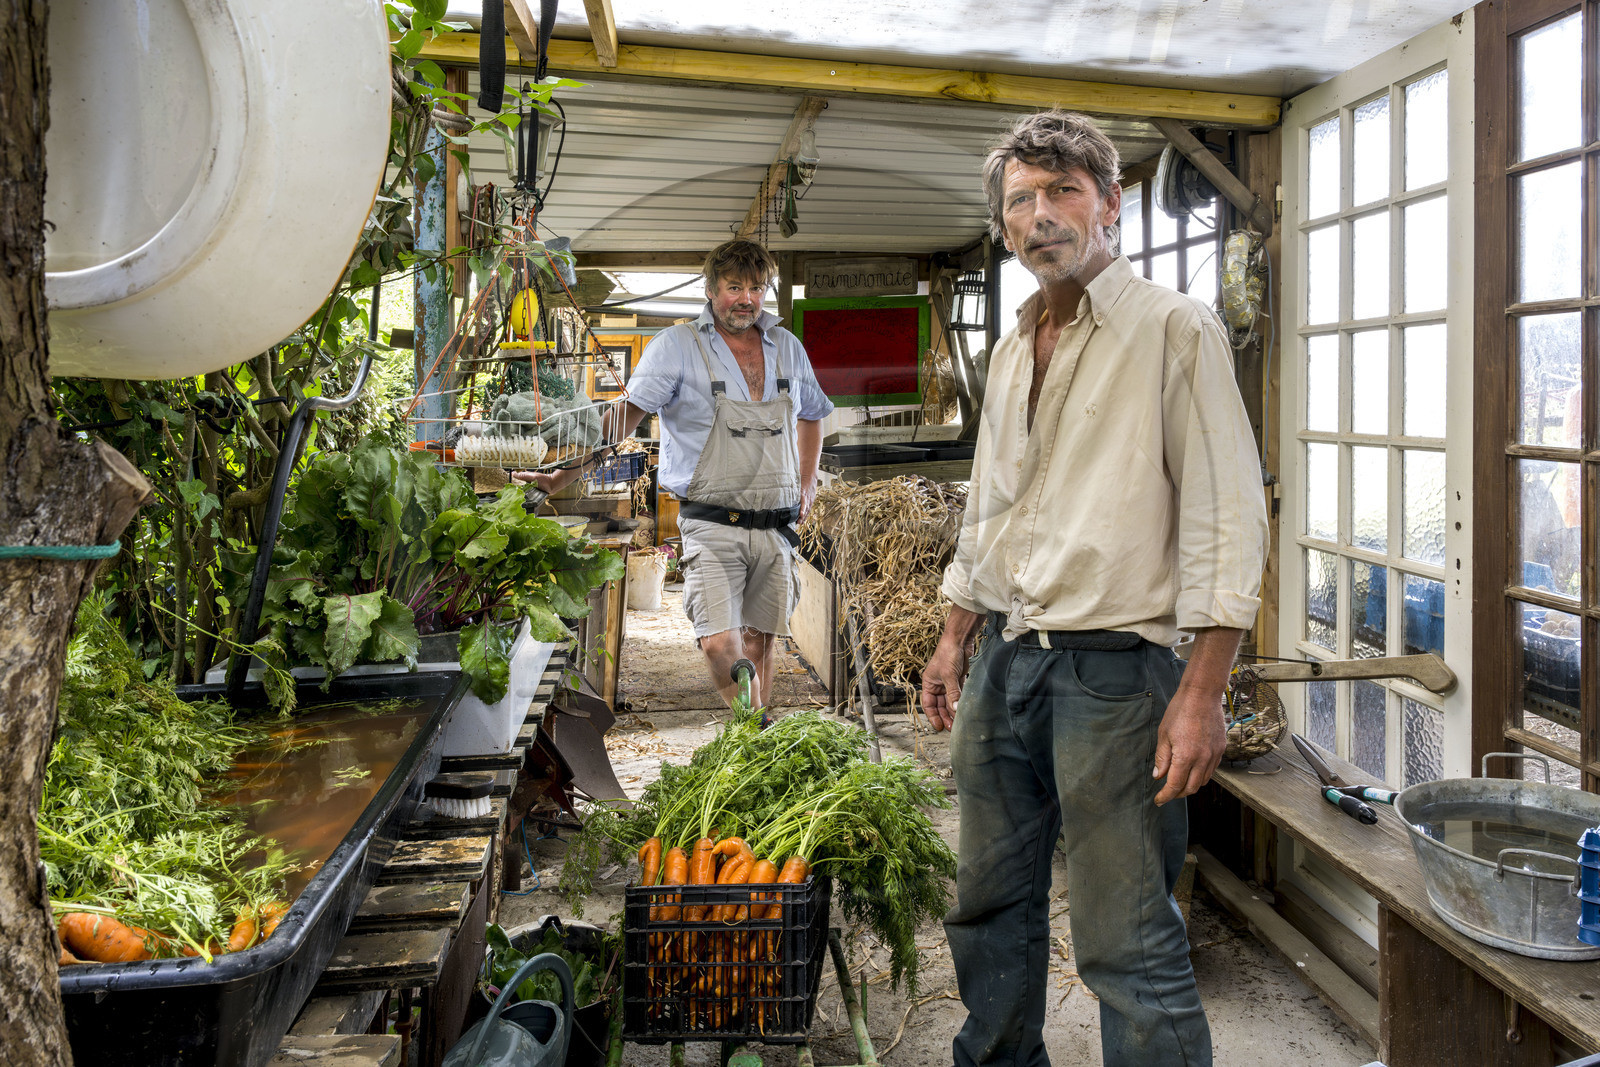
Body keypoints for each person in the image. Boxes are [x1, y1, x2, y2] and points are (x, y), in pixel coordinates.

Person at [920, 111, 1269, 1067]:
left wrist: (1200, 695)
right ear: (1004, 227)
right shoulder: (1008, 348)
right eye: (1021, 201)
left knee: (1125, 937)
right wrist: (956, 636)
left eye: (1063, 192)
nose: (1042, 217)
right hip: (1006, 662)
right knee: (986, 903)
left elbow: (1228, 517)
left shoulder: (1173, 329)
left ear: (1110, 203)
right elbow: (991, 506)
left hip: (1116, 678)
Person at [516, 239, 833, 708]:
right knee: (717, 642)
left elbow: (813, 415)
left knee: (761, 642)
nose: (746, 299)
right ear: (710, 290)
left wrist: (807, 484)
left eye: (756, 288)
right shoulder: (677, 347)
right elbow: (624, 420)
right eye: (734, 287)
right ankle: (756, 732)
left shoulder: (787, 347)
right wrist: (562, 475)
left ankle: (753, 744)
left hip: (776, 525)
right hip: (711, 522)